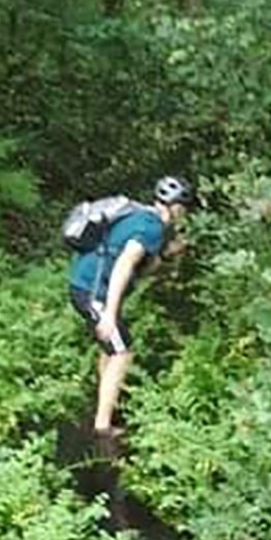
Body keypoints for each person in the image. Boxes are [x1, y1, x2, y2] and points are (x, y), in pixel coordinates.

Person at [70, 175, 195, 437]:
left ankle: (105, 406)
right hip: (94, 291)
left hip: (84, 284)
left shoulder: (143, 217)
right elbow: (125, 264)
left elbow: (142, 267)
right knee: (122, 352)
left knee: (111, 348)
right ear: (178, 208)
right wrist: (109, 315)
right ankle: (102, 428)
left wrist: (166, 256)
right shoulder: (152, 228)